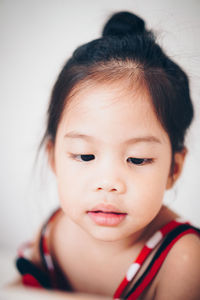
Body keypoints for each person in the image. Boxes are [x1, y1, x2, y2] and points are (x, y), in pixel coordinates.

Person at [15, 11, 200, 300]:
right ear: (54, 159)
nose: (108, 182)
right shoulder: (51, 233)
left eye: (137, 159)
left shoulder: (182, 259)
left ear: (173, 169)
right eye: (85, 155)